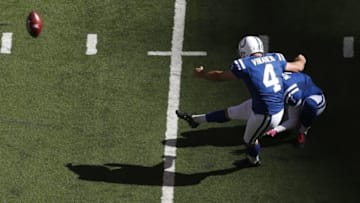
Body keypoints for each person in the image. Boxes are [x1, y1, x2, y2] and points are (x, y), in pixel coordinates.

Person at [176, 35, 306, 166]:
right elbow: (299, 67)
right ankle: (195, 120)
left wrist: (203, 74)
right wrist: (301, 58)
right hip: (264, 104)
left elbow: (220, 76)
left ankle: (253, 161)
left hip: (267, 113)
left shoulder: (245, 64)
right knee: (230, 112)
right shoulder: (276, 58)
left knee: (249, 140)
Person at [265, 72, 326, 148]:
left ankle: (303, 131)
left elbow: (293, 121)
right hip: (298, 91)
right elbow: (293, 120)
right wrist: (276, 130)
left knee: (310, 105)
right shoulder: (280, 82)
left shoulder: (293, 95)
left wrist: (277, 129)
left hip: (314, 98)